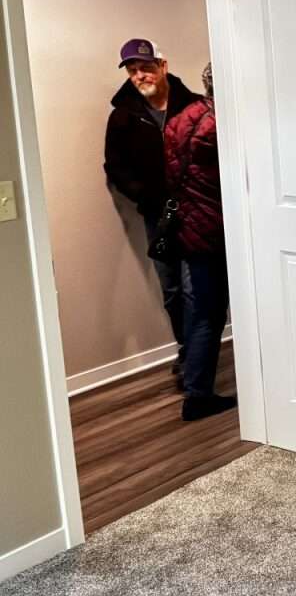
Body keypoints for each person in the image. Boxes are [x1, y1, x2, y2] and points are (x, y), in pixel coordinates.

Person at [104, 38, 200, 379]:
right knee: (172, 288)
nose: (139, 75)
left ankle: (196, 360)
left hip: (197, 214)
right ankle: (188, 351)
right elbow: (115, 168)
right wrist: (145, 198)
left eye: (145, 68)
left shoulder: (195, 107)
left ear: (163, 66)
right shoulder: (122, 118)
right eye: (132, 71)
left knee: (195, 288)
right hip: (157, 218)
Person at [164, 63, 237, 421]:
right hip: (220, 230)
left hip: (189, 229)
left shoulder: (180, 118)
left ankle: (196, 390)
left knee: (200, 313)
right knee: (211, 315)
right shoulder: (227, 122)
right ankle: (198, 396)